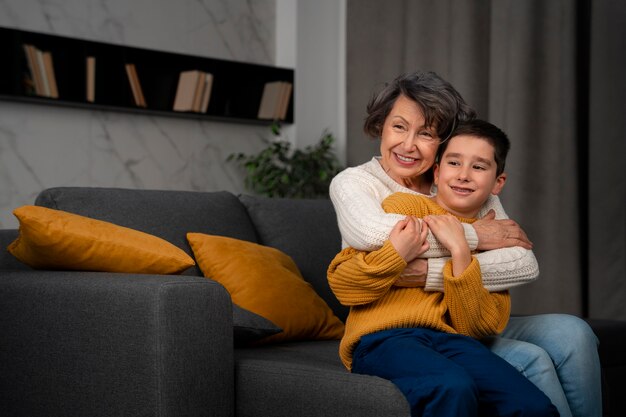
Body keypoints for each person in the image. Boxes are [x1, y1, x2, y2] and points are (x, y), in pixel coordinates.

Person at [328, 71, 601, 417]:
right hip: (394, 324)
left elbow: (521, 261)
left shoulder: (460, 180)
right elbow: (369, 236)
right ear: (381, 126)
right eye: (399, 127)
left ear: (442, 143)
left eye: (426, 133)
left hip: (459, 319)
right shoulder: (360, 185)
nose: (409, 144)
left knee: (572, 333)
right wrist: (477, 237)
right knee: (516, 365)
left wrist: (432, 268)